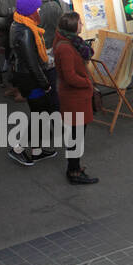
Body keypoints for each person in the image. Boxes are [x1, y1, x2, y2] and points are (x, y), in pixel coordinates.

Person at [7, 0, 59, 166]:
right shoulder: (27, 32)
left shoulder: (18, 24)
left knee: (40, 113)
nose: (39, 11)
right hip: (30, 79)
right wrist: (45, 84)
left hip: (24, 76)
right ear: (29, 12)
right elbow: (32, 63)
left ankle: (37, 151)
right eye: (36, 9)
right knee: (40, 115)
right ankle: (17, 149)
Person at [53, 11, 98, 185]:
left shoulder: (69, 41)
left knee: (76, 136)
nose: (82, 25)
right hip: (74, 98)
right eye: (80, 22)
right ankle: (73, 172)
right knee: (75, 137)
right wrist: (87, 82)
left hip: (76, 97)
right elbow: (69, 76)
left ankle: (75, 168)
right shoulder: (65, 47)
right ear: (73, 26)